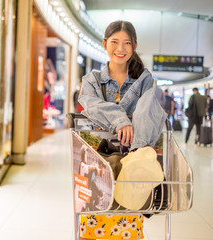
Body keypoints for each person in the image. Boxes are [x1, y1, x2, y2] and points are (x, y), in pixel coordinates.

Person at [78, 20, 166, 240]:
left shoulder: (144, 80)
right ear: (105, 44)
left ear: (134, 46)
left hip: (131, 163)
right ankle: (139, 157)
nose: (120, 48)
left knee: (127, 216)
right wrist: (122, 121)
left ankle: (138, 157)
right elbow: (91, 103)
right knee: (97, 213)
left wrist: (136, 139)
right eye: (115, 42)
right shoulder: (92, 81)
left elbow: (148, 110)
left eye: (127, 43)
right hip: (99, 161)